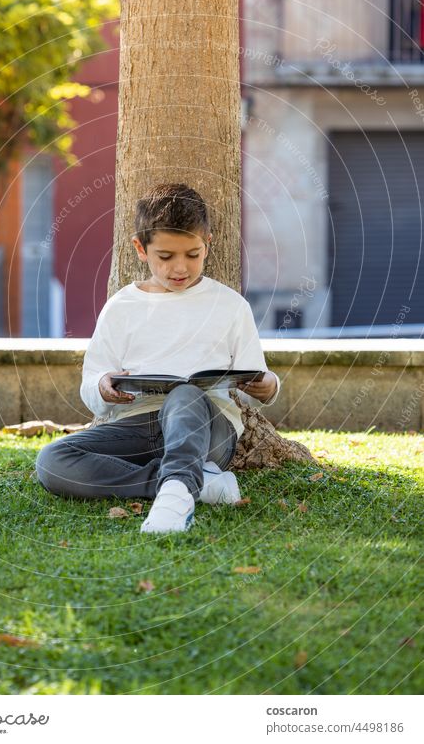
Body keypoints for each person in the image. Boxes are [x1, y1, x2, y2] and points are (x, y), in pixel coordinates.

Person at [36, 183, 280, 534]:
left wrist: (267, 386)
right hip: (137, 428)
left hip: (207, 431)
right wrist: (103, 388)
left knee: (184, 395)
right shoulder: (122, 307)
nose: (180, 267)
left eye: (193, 255)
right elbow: (93, 381)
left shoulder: (229, 305)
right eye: (166, 257)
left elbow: (253, 380)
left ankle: (176, 498)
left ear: (207, 244)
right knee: (53, 462)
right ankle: (188, 482)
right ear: (140, 248)